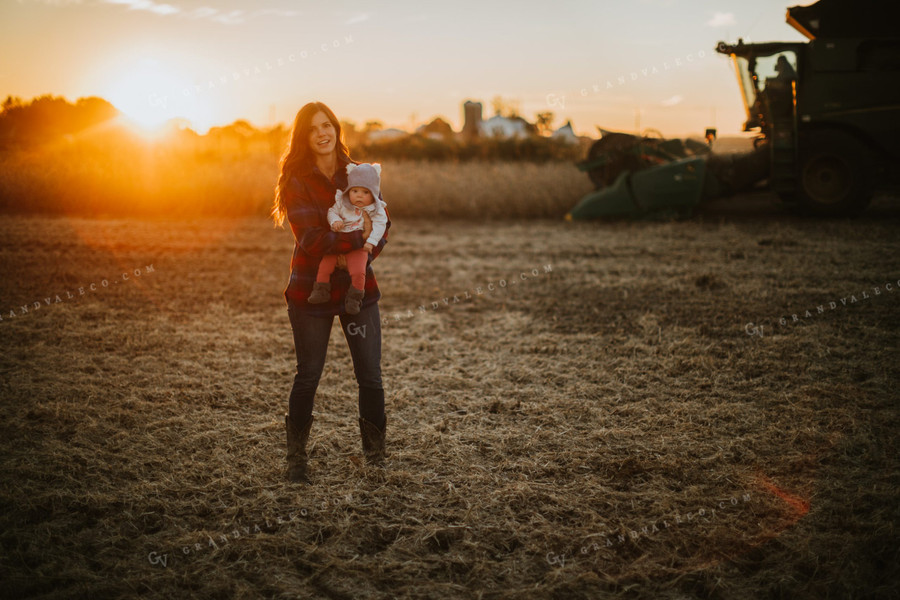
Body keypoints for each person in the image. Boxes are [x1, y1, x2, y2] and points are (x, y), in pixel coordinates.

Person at [271, 102, 390, 483]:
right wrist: (357, 242)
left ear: (336, 129)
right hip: (312, 291)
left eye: (328, 125)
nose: (322, 133)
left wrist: (366, 248)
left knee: (370, 376)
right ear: (303, 136)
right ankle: (296, 459)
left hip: (358, 289)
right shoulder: (297, 180)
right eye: (313, 128)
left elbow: (383, 223)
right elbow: (310, 239)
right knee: (308, 375)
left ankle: (375, 458)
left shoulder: (357, 172)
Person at [307, 162, 388, 315]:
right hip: (337, 243)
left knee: (358, 272)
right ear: (349, 190)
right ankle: (321, 289)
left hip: (359, 247)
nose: (359, 195)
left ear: (373, 194)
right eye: (355, 191)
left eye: (365, 192)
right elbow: (331, 211)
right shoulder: (342, 204)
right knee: (325, 265)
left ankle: (354, 297)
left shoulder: (375, 210)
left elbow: (381, 225)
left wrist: (370, 242)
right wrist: (335, 221)